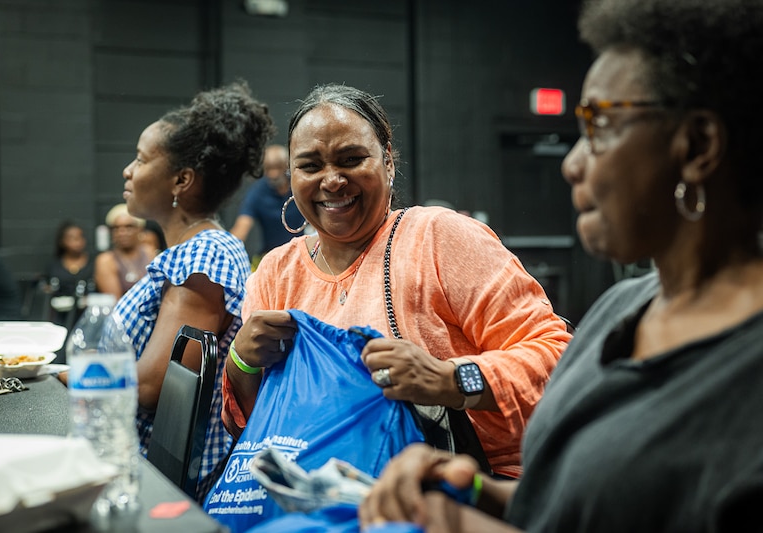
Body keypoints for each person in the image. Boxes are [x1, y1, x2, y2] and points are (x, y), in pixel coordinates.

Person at [358, 0, 763, 531]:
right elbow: (564, 506)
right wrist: (470, 488)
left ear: (699, 145)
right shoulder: (623, 308)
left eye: (600, 126)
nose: (572, 164)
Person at [222, 84, 572, 480]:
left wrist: (450, 380)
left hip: (466, 487)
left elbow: (557, 356)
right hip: (323, 495)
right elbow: (254, 427)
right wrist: (241, 362)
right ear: (292, 176)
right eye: (310, 165)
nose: (332, 180)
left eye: (352, 159)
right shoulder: (275, 272)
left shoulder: (439, 238)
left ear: (388, 161)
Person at [59, 81, 275, 502]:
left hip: (155, 482)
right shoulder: (188, 252)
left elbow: (154, 386)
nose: (128, 170)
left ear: (181, 179)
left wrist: (60, 377)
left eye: (140, 159)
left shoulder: (204, 255)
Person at [230, 144, 304, 268]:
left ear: (286, 166)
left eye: (277, 167)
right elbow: (242, 227)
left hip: (303, 254)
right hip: (271, 257)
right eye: (269, 168)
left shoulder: (300, 186)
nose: (273, 174)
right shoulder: (257, 193)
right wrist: (225, 247)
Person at [94, 203, 156, 300]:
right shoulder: (106, 260)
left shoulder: (149, 252)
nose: (122, 232)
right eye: (116, 228)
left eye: (129, 227)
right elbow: (116, 301)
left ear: (139, 229)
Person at [43, 221, 95, 328]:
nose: (77, 241)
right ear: (62, 241)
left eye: (80, 237)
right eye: (72, 238)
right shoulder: (54, 265)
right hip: (61, 316)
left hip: (88, 316)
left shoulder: (94, 262)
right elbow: (47, 287)